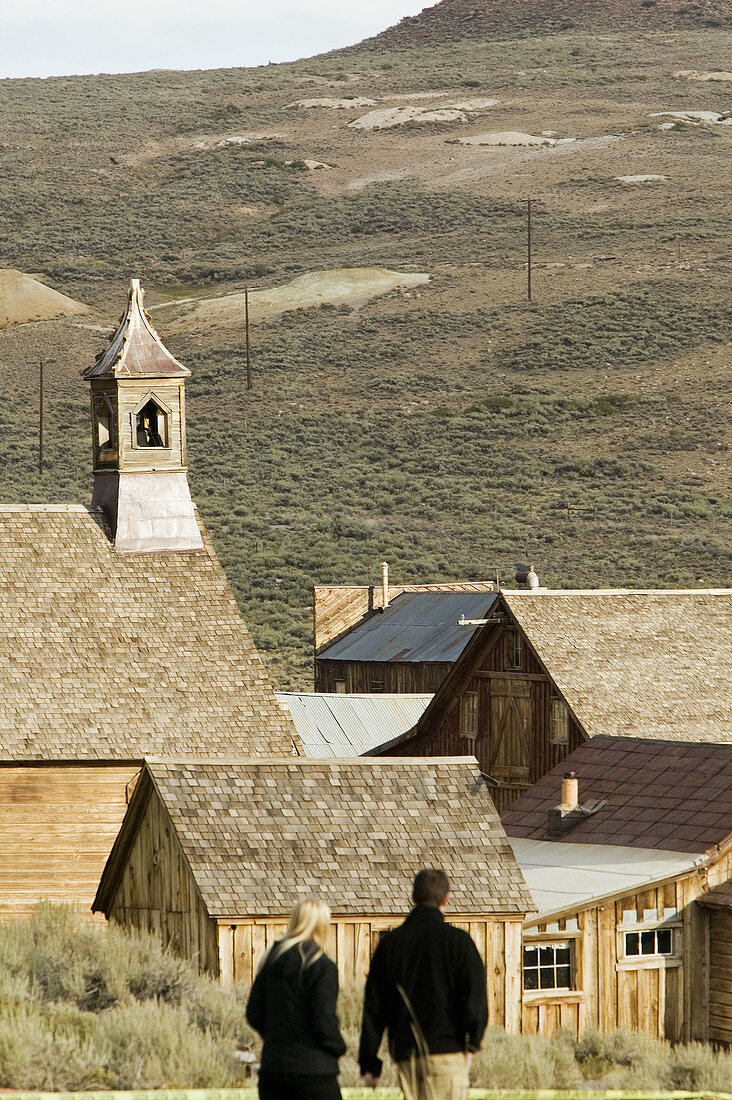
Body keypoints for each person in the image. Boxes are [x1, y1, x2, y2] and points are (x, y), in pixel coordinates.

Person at [359, 868, 488, 1100]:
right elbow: (475, 997)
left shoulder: (391, 944)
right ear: (447, 898)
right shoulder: (459, 942)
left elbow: (374, 1008)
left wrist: (369, 1061)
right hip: (448, 1052)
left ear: (413, 898)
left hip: (406, 1056)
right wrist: (473, 1042)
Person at [246, 898, 347, 1100]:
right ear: (322, 926)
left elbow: (254, 1013)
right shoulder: (321, 965)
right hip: (314, 1071)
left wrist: (276, 1038)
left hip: (273, 1069)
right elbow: (323, 1020)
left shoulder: (270, 961)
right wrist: (339, 1047)